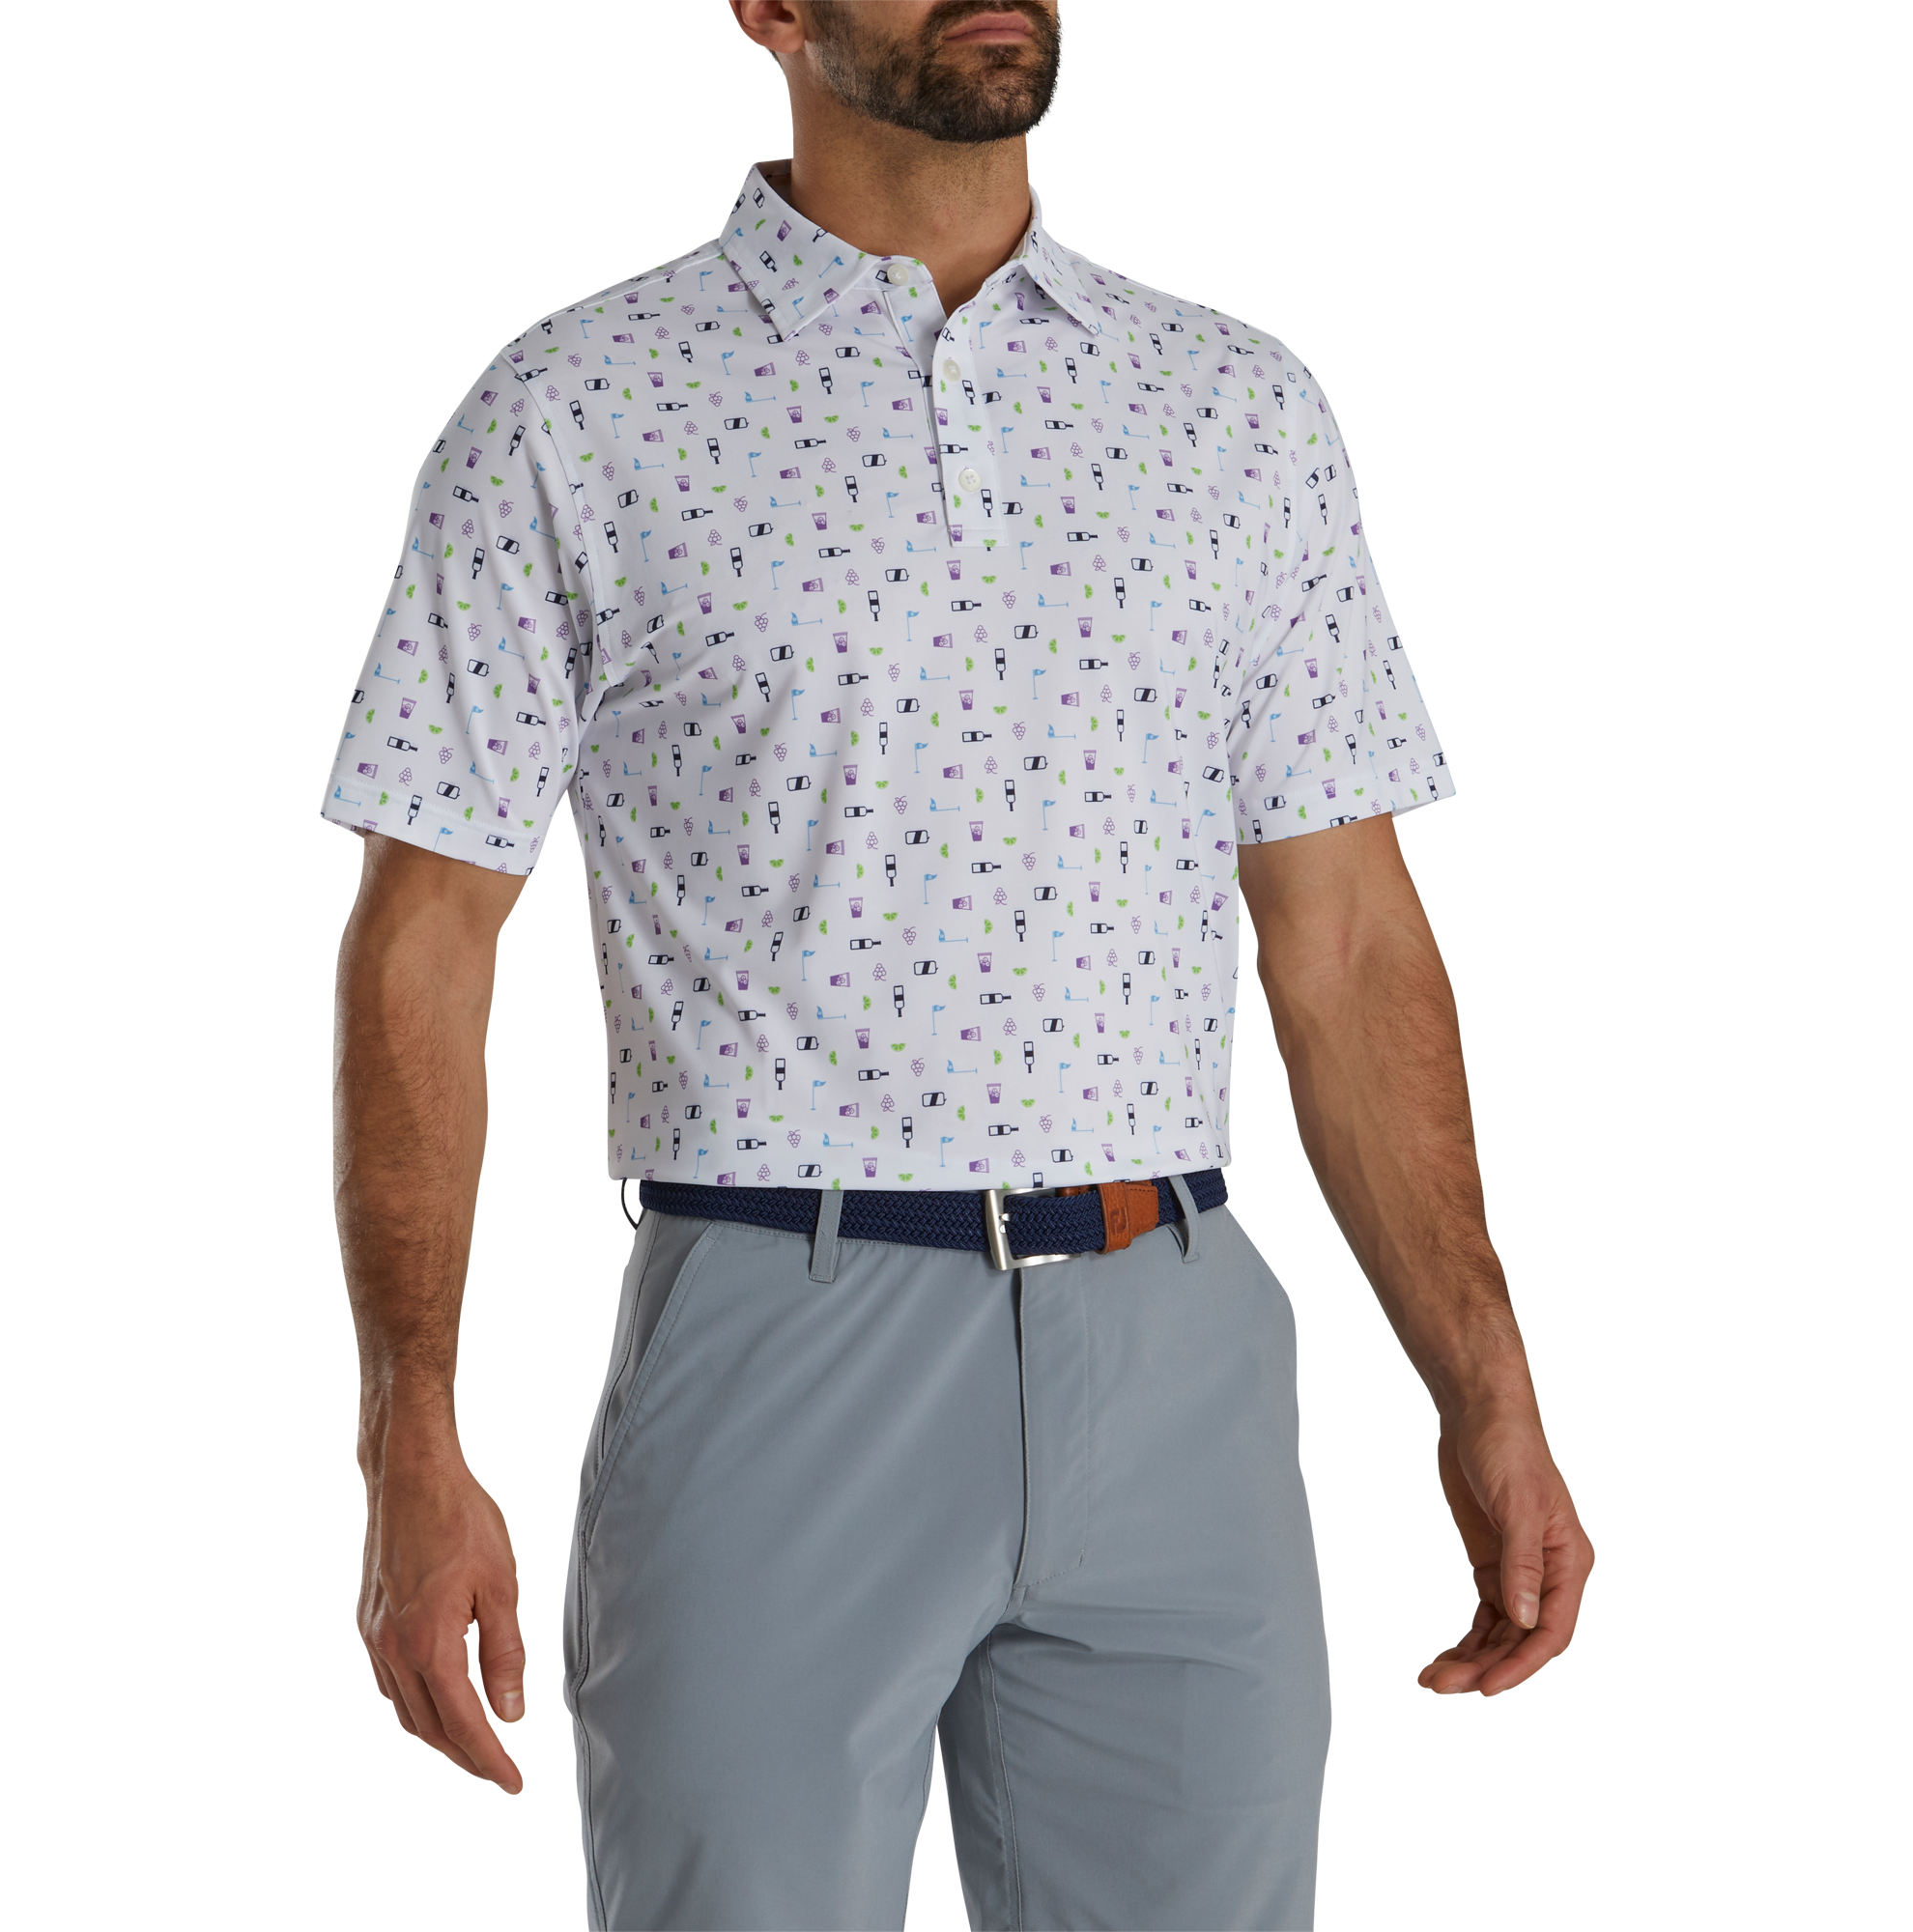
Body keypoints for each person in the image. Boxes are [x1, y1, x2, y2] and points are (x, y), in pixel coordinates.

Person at [324, 3, 1594, 1924]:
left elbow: (1340, 934)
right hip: (779, 1337)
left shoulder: (1227, 408)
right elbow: (424, 938)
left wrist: (1482, 1376)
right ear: (770, 8)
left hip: (1178, 1340)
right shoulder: (584, 408)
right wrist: (408, 1430)